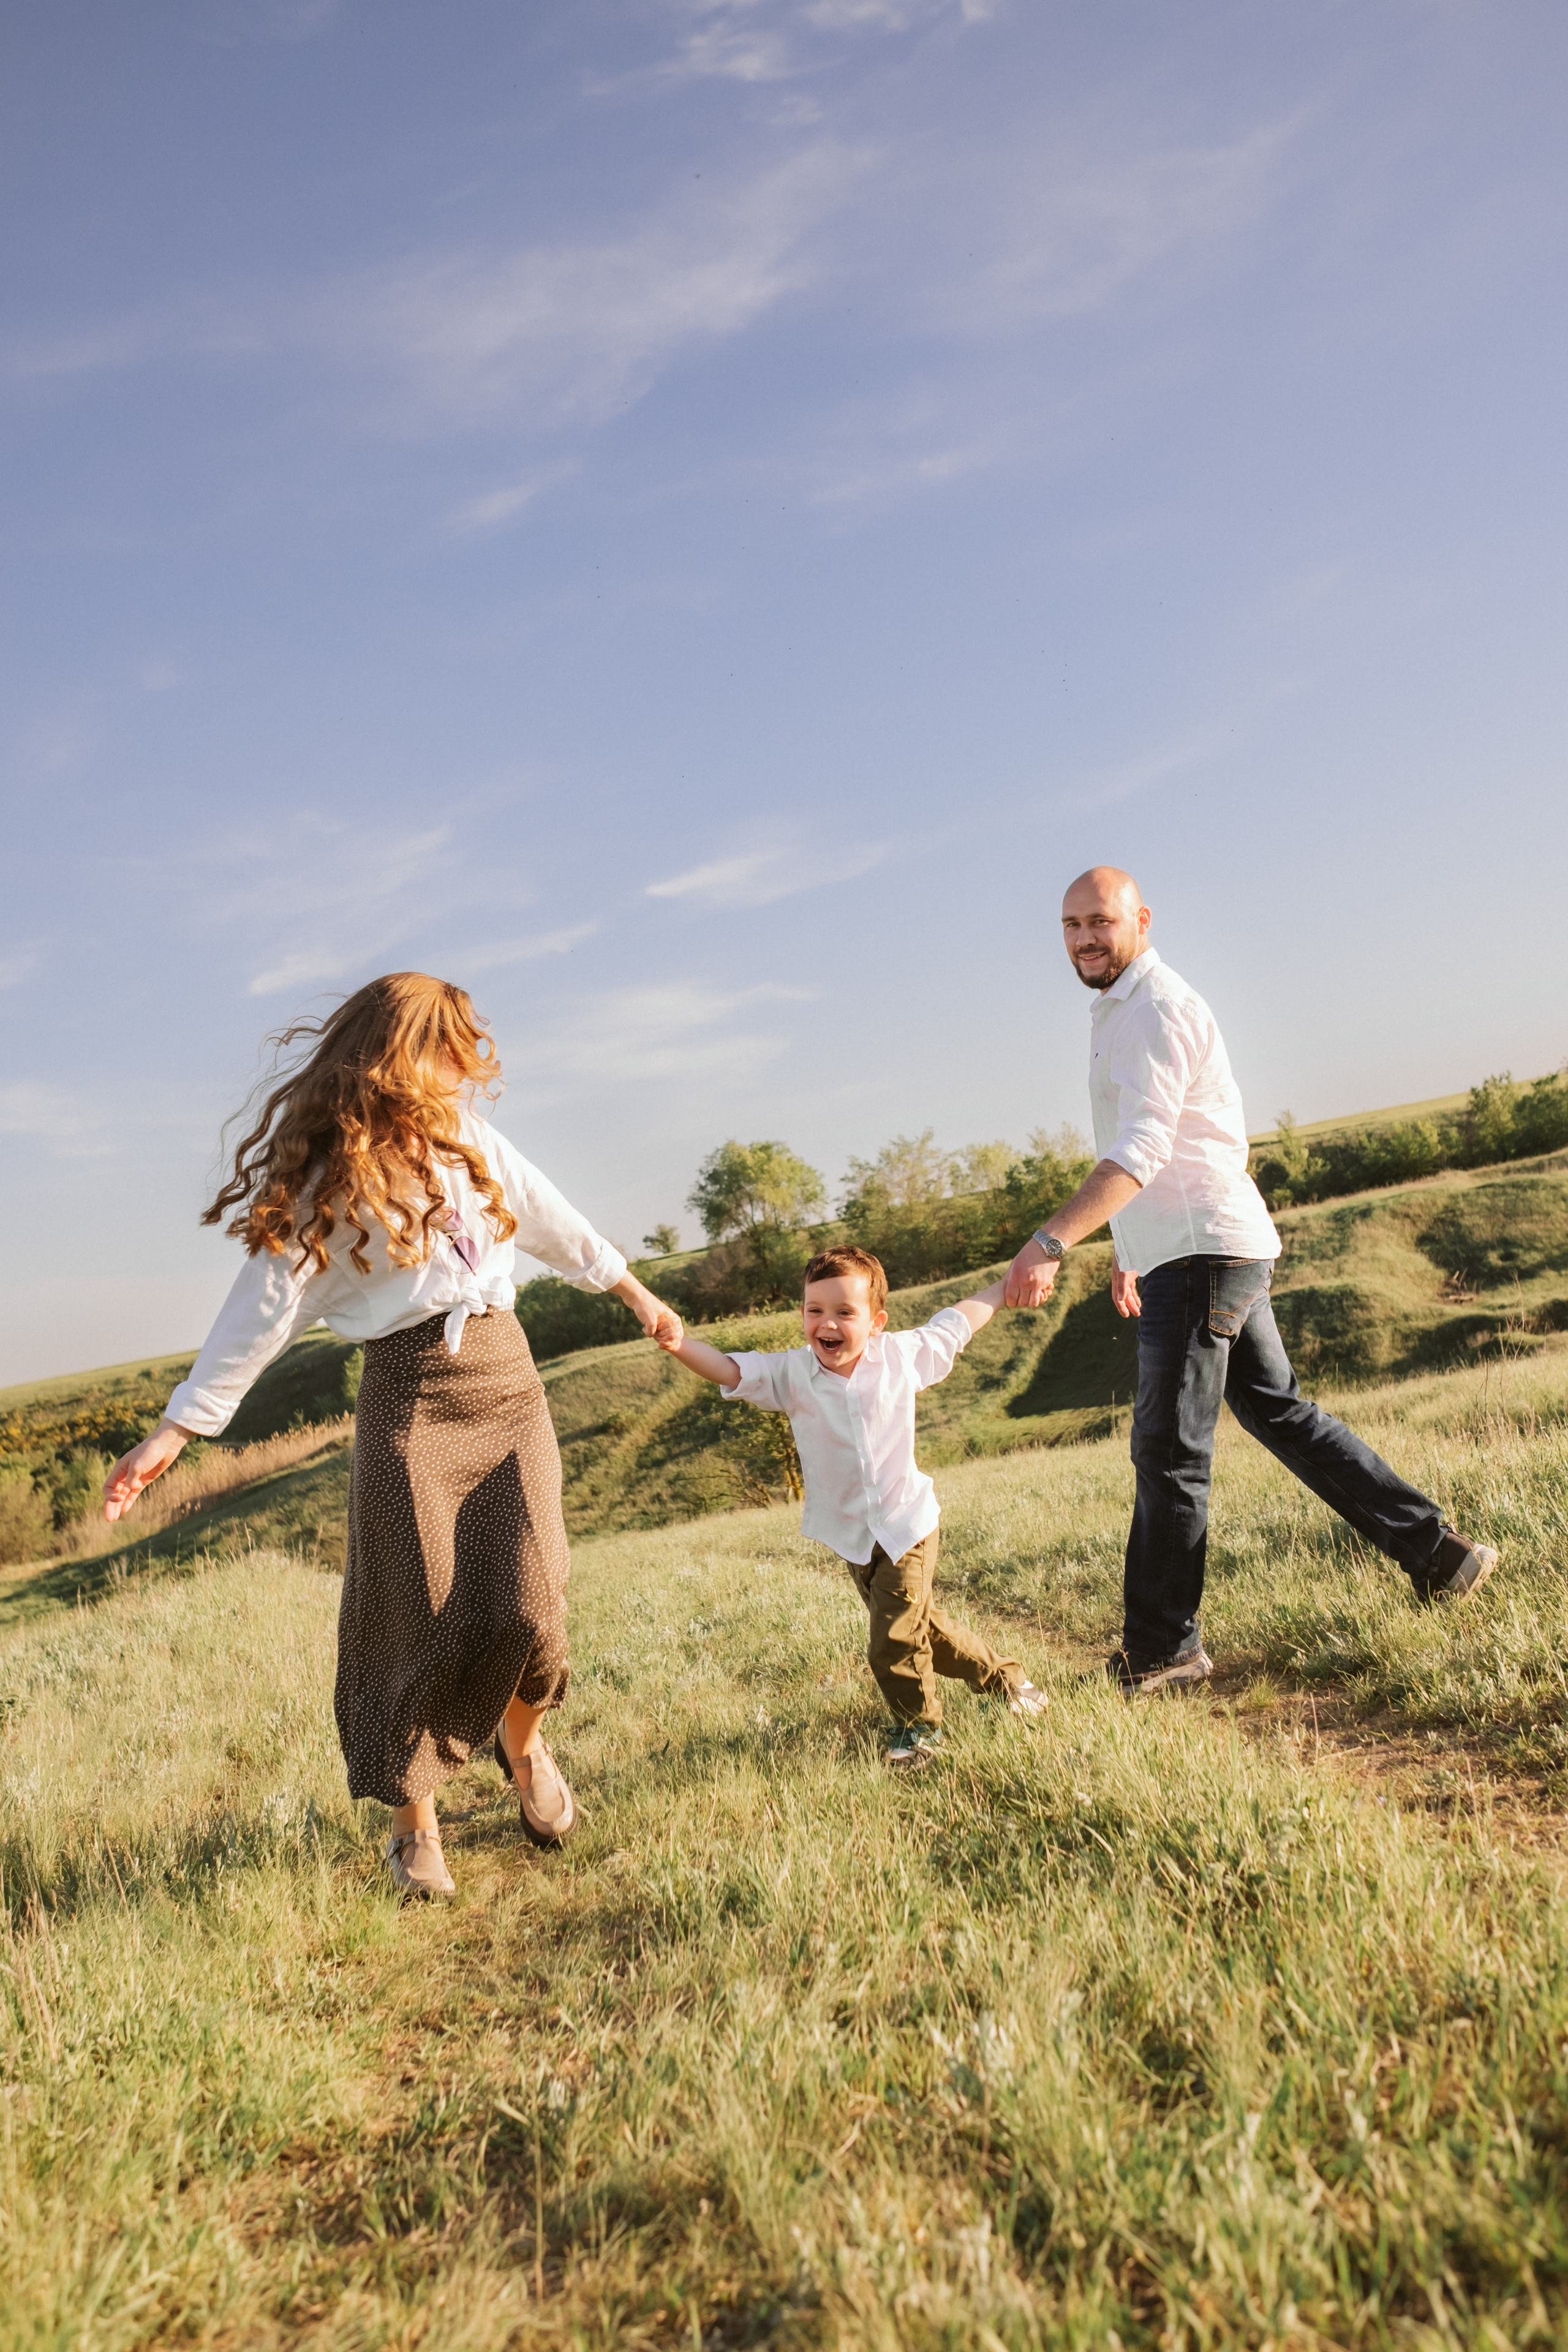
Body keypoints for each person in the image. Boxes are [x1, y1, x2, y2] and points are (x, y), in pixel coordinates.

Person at [101, 973, 683, 1901]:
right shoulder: (327, 1184)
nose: (463, 1071)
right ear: (400, 1055)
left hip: (509, 1381)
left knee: (535, 1601)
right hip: (411, 1401)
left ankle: (522, 1749)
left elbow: (550, 1215)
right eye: (449, 1050)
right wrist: (178, 1430)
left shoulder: (471, 1143)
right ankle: (415, 1826)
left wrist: (635, 1293)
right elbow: (259, 1313)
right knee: (413, 1618)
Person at [1003, 867, 1498, 1697]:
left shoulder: (1156, 1008)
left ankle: (1166, 1651)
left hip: (1204, 1256)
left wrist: (1051, 1240)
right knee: (1280, 1413)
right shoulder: (1122, 1009)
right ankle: (1439, 1554)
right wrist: (1132, 1247)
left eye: (1100, 921)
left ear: (1142, 921)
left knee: (1169, 1453)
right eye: (1071, 926)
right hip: (1195, 1246)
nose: (1085, 938)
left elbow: (1147, 1148)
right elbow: (1168, 1148)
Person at [658, 1242, 1049, 1766]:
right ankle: (1009, 1680)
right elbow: (729, 1369)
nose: (829, 1323)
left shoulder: (902, 1357)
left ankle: (920, 1733)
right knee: (923, 1631)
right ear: (802, 1315)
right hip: (853, 1539)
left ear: (876, 1321)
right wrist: (679, 1342)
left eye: (846, 1312)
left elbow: (957, 1323)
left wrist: (1006, 1288)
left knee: (891, 1641)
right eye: (815, 1310)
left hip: (907, 1525)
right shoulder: (792, 1376)